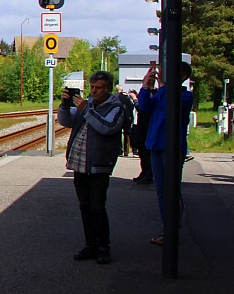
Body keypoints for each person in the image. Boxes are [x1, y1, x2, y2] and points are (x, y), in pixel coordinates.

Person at [59, 71, 123, 265]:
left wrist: (86, 109)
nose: (94, 91)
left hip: (99, 165)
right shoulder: (85, 104)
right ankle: (90, 244)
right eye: (92, 88)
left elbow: (107, 127)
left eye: (99, 88)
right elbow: (66, 121)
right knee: (85, 207)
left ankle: (103, 247)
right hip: (80, 165)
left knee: (97, 207)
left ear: (108, 89)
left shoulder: (116, 108)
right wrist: (64, 106)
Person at [137, 60, 195, 246]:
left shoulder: (185, 97)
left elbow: (169, 105)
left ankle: (172, 229)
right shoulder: (163, 94)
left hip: (172, 148)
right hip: (156, 146)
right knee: (162, 191)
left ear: (183, 77)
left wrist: (162, 87)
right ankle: (167, 228)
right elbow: (145, 107)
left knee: (172, 191)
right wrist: (146, 87)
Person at [116, 85, 134, 157]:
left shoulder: (115, 97)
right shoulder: (126, 97)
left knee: (118, 134)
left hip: (117, 118)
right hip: (126, 118)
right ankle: (126, 151)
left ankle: (119, 150)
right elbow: (131, 107)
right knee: (127, 134)